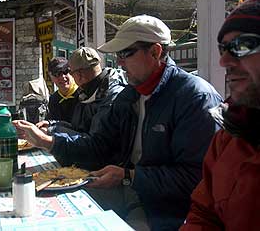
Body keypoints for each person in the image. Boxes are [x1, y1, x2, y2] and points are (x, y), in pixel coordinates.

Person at [14, 15, 223, 230]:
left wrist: (129, 176)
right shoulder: (130, 95)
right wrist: (49, 142)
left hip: (166, 211)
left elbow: (199, 180)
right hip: (129, 190)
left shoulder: (195, 98)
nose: (120, 62)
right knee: (41, 208)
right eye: (118, 55)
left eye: (125, 53)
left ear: (155, 52)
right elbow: (99, 146)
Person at [180, 0, 260, 230]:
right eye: (222, 48)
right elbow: (204, 214)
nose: (224, 61)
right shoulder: (229, 135)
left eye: (242, 45)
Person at [46, 57, 79, 123]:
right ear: (51, 77)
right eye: (57, 74)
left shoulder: (83, 95)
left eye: (65, 71)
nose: (62, 77)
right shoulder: (53, 99)